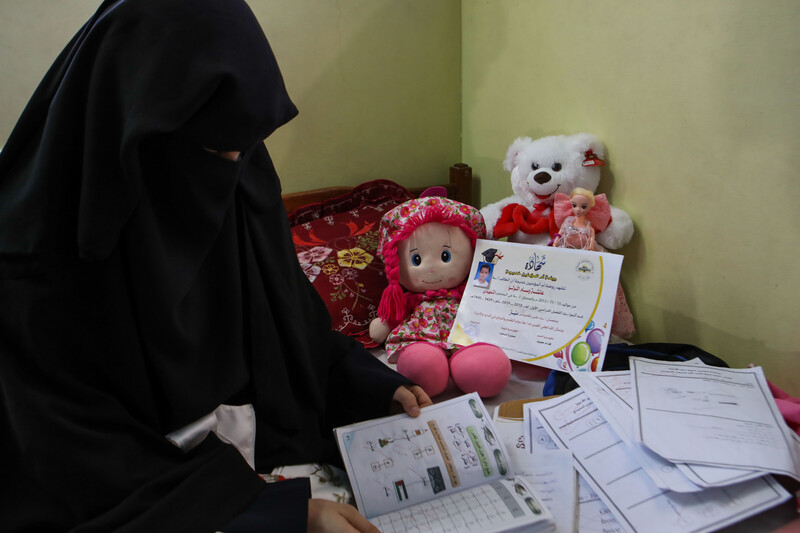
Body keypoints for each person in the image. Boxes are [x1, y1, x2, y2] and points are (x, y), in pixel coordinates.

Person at [0, 1, 430, 531]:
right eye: (211, 146)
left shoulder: (240, 182)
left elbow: (292, 322)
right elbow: (69, 461)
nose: (232, 167)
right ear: (134, 128)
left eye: (243, 148)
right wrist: (272, 513)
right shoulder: (30, 267)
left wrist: (363, 382)